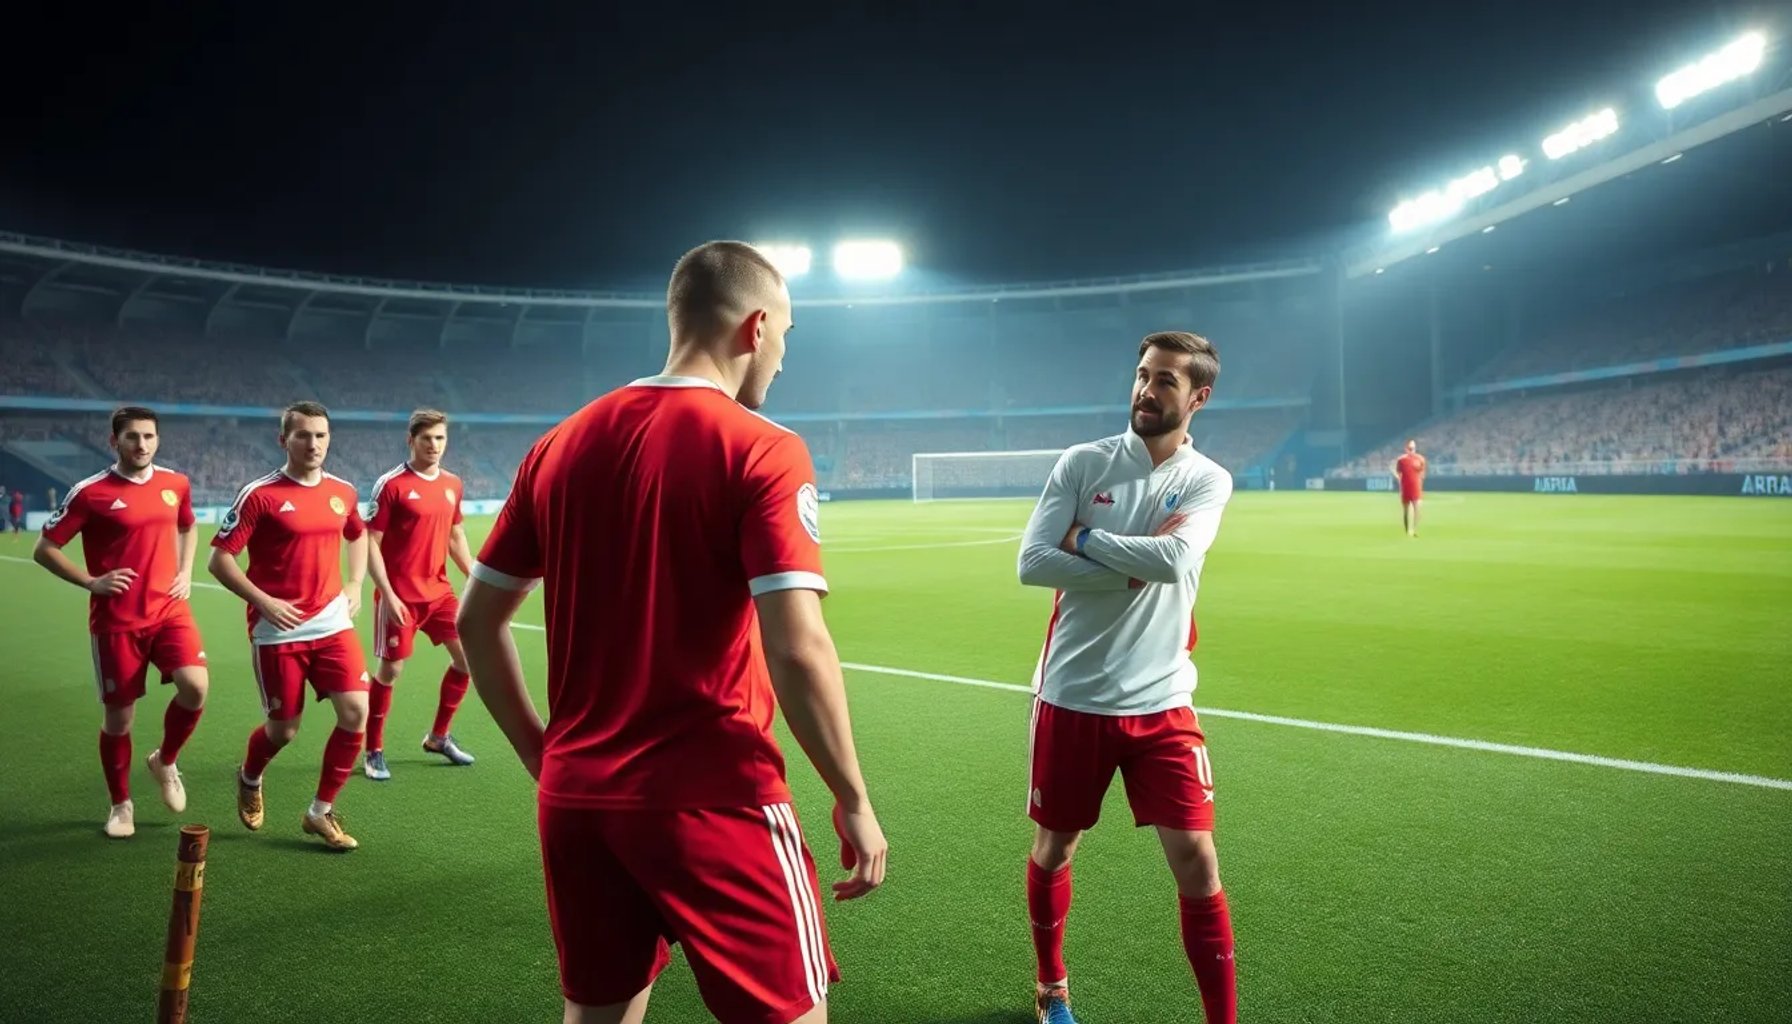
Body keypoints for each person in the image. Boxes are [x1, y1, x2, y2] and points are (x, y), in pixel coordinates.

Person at [458, 241, 887, 1024]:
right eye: (787, 335)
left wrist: (541, 752)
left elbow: (475, 620)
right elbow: (797, 646)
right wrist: (852, 796)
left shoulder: (557, 445)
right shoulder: (763, 447)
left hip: (578, 801)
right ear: (756, 327)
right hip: (714, 798)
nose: (785, 359)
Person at [1016, 332, 1237, 1024]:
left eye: (1165, 381)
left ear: (1198, 397)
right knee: (1055, 848)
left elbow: (1175, 561)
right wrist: (1131, 563)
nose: (1146, 390)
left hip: (1164, 699)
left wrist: (1083, 540)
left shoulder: (1207, 479)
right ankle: (1052, 987)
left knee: (1198, 860)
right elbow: (1032, 563)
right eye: (1143, 376)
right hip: (1074, 695)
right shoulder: (1083, 463)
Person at [207, 401, 404, 851]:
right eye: (302, 435)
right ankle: (250, 775)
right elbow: (219, 560)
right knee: (284, 731)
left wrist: (354, 582)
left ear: (329, 439)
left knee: (356, 712)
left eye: (320, 435)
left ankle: (319, 812)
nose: (312, 443)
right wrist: (263, 601)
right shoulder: (260, 495)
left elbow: (356, 535)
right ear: (284, 440)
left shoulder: (343, 491)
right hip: (277, 630)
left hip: (332, 623)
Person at [32, 406, 208, 838]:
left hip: (169, 609)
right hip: (117, 621)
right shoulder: (90, 492)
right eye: (132, 437)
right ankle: (120, 805)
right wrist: (92, 581)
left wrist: (185, 571)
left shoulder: (175, 484)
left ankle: (164, 761)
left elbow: (188, 526)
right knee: (119, 720)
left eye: (148, 437)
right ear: (114, 441)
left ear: (158, 440)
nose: (142, 445)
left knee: (196, 685)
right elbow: (45, 548)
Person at [361, 408, 476, 780]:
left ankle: (439, 737)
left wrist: (472, 573)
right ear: (411, 441)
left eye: (440, 438)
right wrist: (387, 594)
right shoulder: (391, 485)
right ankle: (373, 749)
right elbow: (370, 542)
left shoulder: (452, 484)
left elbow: (456, 536)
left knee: (467, 660)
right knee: (391, 671)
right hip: (401, 597)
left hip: (439, 593)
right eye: (426, 438)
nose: (434, 445)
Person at [1392, 439, 1427, 537]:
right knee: (1406, 511)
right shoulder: (1401, 460)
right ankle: (1407, 530)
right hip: (1406, 488)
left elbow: (1423, 473)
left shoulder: (1420, 459)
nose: (1412, 450)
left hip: (1416, 488)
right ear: (1406, 448)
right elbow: (1398, 472)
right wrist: (1399, 479)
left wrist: (1420, 480)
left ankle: (1415, 530)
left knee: (1417, 510)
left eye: (1413, 448)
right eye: (1410, 448)